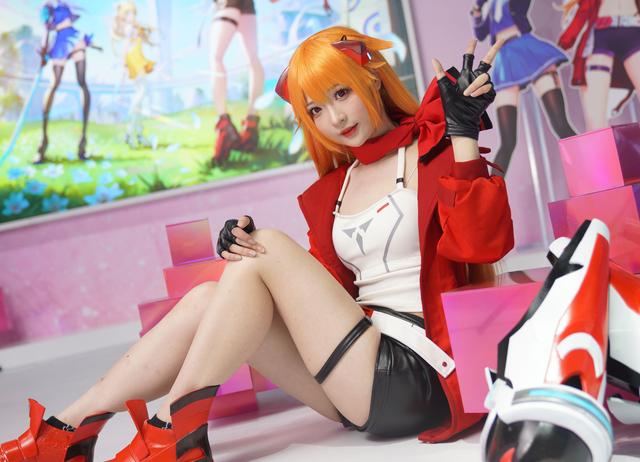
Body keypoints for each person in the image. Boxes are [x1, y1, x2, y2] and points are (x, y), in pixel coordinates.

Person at [0, 26, 514, 461]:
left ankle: (171, 433)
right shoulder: (336, 189)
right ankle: (65, 432)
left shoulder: (433, 152)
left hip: (416, 371)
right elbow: (324, 296)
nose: (336, 119)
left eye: (341, 93)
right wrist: (243, 248)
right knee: (210, 295)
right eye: (317, 109)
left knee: (264, 248)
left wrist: (462, 136)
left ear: (372, 79)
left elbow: (482, 246)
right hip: (353, 372)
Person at [471, 0, 576, 176]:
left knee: (561, 125)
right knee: (507, 141)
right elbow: (481, 34)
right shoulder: (487, 5)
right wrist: (477, 10)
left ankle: (590, 167)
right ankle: (490, 190)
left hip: (526, 48)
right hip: (505, 58)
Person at [558, 0, 640, 131]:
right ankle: (599, 142)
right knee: (595, 121)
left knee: (595, 120)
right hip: (601, 35)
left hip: (633, 32)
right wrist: (566, 40)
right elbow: (583, 10)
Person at [35, 1, 94, 164]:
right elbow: (47, 28)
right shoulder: (49, 7)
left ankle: (82, 140)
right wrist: (44, 51)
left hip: (73, 38)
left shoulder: (61, 6)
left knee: (81, 83)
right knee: (54, 85)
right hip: (62, 40)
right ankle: (43, 141)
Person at [111, 1, 156, 149]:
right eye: (129, 13)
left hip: (137, 59)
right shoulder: (129, 28)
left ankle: (137, 133)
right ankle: (132, 132)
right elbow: (126, 46)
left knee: (141, 96)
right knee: (142, 93)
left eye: (134, 13)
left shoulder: (134, 27)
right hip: (134, 61)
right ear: (124, 15)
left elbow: (141, 40)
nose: (133, 16)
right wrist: (125, 65)